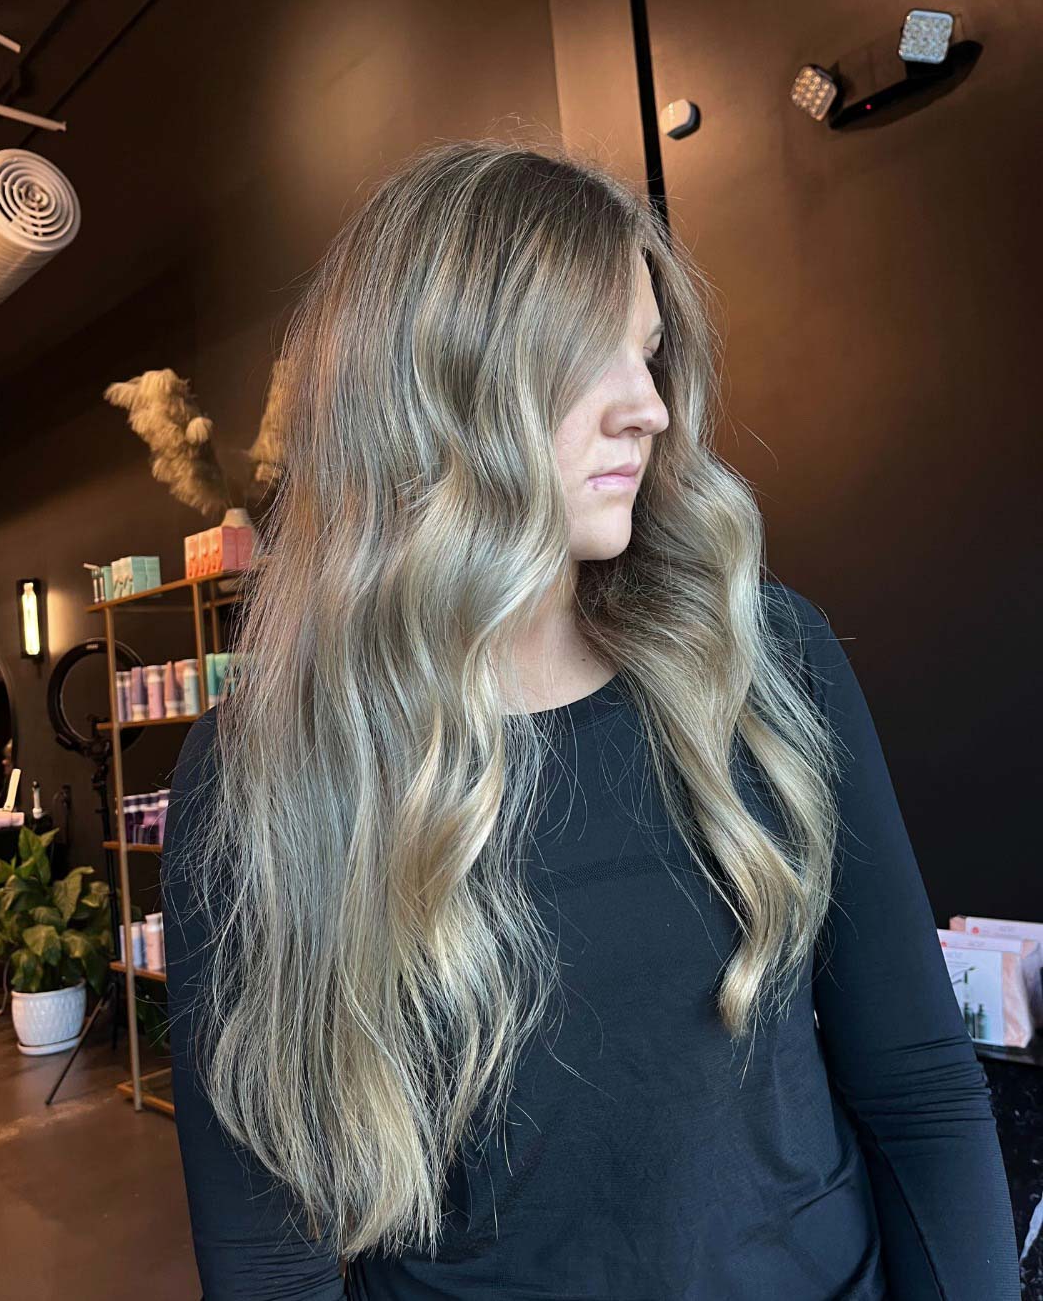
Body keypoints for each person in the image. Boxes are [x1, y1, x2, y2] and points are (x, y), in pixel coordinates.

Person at [159, 137, 1020, 1300]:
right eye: (587, 358)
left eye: (651, 354)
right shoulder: (268, 768)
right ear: (431, 386)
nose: (653, 409)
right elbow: (273, 1250)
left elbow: (917, 1082)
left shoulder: (763, 662)